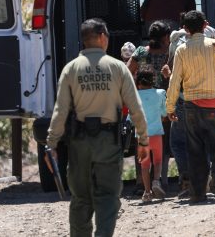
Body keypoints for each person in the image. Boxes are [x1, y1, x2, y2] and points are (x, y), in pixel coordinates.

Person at [46, 18, 149, 236]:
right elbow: (136, 108)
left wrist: (51, 145)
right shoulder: (118, 67)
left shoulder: (70, 69)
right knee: (108, 198)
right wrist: (143, 141)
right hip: (108, 143)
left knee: (81, 199)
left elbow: (60, 111)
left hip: (79, 143)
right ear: (102, 37)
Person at [166, 10, 215, 203]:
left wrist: (170, 107)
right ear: (205, 25)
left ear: (185, 29)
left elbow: (174, 80)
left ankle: (198, 193)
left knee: (195, 151)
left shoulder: (181, 50)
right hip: (213, 105)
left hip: (190, 107)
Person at [127, 20, 171, 194]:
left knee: (141, 145)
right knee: (163, 144)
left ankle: (141, 184)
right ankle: (161, 181)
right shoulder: (170, 53)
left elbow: (127, 71)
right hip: (164, 103)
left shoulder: (140, 52)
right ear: (166, 37)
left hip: (142, 106)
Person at [135, 67, 168, 203]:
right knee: (158, 161)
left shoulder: (134, 95)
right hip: (156, 134)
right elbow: (165, 113)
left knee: (144, 165)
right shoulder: (160, 93)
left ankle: (147, 192)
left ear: (138, 82)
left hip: (142, 136)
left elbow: (131, 118)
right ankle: (156, 181)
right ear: (153, 80)